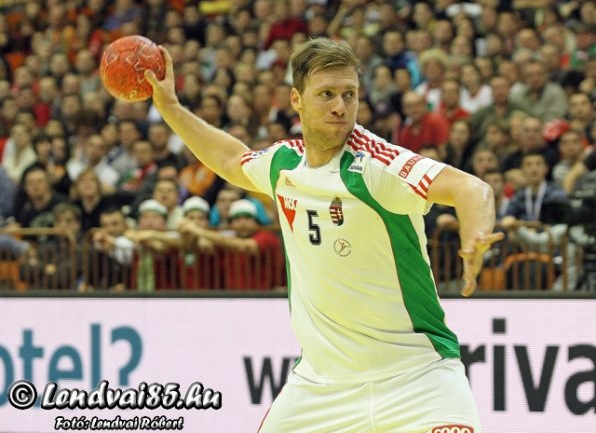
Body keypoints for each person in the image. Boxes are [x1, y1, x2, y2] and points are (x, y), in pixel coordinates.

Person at [145, 37, 503, 433]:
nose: (340, 106)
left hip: (417, 378)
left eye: (350, 94)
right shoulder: (283, 164)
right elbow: (229, 158)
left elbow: (471, 188)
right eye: (327, 94)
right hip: (320, 387)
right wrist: (170, 107)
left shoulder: (376, 166)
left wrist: (475, 235)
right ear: (296, 100)